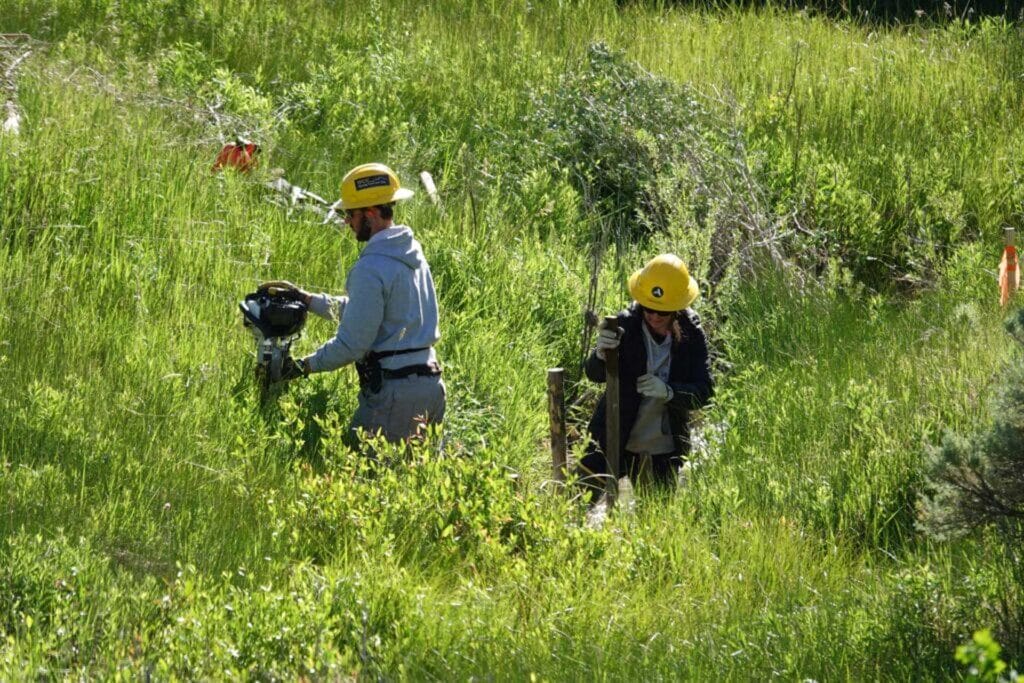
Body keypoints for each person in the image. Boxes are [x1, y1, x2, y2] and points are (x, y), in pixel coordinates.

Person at [268, 162, 445, 444]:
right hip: (431, 387)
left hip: (396, 395)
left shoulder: (370, 267)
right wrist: (307, 300)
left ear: (370, 214)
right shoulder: (410, 252)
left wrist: (300, 368)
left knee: (364, 467)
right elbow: (368, 313)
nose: (346, 222)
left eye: (350, 214)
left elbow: (352, 344)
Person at [577, 254, 713, 502]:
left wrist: (670, 391)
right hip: (613, 435)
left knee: (657, 515)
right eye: (649, 308)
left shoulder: (691, 333)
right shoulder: (624, 325)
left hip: (663, 448)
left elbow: (704, 391)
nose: (654, 316)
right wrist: (600, 355)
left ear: (677, 308)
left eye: (663, 311)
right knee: (579, 500)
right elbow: (594, 374)